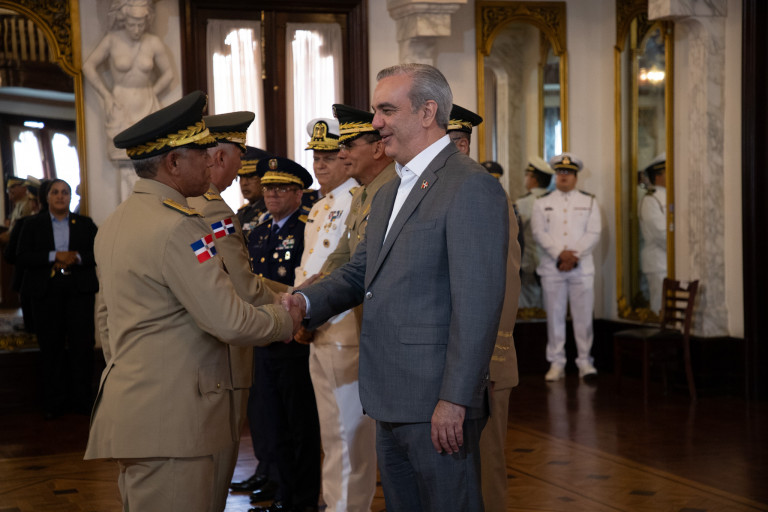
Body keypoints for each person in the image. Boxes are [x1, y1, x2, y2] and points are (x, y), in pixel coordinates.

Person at [285, 63, 510, 511]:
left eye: (387, 110)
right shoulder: (389, 190)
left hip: (436, 403)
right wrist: (302, 302)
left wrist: (454, 399)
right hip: (388, 396)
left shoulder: (470, 186)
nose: (375, 123)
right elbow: (360, 272)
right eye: (376, 111)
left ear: (428, 112)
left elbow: (477, 307)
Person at [83, 91, 299, 512]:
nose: (209, 161)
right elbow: (229, 319)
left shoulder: (114, 222)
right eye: (200, 152)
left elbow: (105, 318)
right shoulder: (180, 227)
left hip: (135, 412)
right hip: (175, 422)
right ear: (173, 162)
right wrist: (286, 320)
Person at [187, 111, 285, 512]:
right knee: (215, 466)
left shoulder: (182, 203)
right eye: (240, 158)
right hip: (222, 356)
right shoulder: (215, 211)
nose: (242, 171)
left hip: (191, 359)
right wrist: (293, 302)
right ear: (221, 157)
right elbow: (244, 287)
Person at [296, 113, 377, 512]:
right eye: (317, 157)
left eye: (331, 156)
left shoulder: (358, 201)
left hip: (346, 332)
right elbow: (309, 269)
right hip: (318, 331)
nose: (323, 164)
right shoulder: (320, 206)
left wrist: (309, 313)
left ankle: (347, 506)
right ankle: (335, 504)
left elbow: (350, 273)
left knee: (349, 437)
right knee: (332, 435)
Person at [246, 157, 321, 512]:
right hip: (264, 337)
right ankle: (283, 495)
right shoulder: (259, 231)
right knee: (273, 423)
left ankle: (302, 500)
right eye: (268, 188)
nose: (272, 194)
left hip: (295, 339)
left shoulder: (307, 229)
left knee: (300, 426)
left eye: (281, 188)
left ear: (298, 193)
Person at [16, 179, 98, 419]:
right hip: (46, 292)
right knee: (51, 347)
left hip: (79, 292)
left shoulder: (85, 224)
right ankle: (55, 401)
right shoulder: (32, 225)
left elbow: (98, 252)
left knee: (82, 346)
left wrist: (76, 257)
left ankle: (82, 400)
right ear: (47, 197)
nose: (60, 196)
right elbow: (22, 257)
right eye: (55, 192)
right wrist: (55, 256)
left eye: (65, 192)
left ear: (70, 197)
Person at [531, 153, 601, 382]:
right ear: (555, 175)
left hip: (581, 268)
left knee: (583, 317)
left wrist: (573, 256)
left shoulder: (589, 201)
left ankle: (585, 362)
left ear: (576, 177)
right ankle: (556, 362)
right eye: (560, 172)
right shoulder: (542, 202)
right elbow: (538, 232)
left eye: (568, 173)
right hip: (553, 268)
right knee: (555, 317)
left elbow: (594, 232)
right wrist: (560, 254)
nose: (564, 176)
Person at [83, 0, 173, 160]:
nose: (136, 30)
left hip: (148, 104)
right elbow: (88, 66)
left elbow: (168, 73)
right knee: (122, 155)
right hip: (120, 105)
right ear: (123, 20)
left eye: (141, 25)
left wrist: (152, 92)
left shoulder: (153, 42)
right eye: (132, 25)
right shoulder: (112, 40)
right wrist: (106, 95)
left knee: (151, 156)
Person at [515, 157, 555, 310]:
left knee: (528, 309)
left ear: (534, 179)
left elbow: (516, 234)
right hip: (553, 262)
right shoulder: (555, 201)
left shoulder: (524, 202)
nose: (526, 179)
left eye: (527, 175)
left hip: (530, 263)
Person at [639, 154, 667, 313]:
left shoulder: (671, 195)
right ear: (658, 175)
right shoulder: (651, 200)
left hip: (669, 261)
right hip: (658, 263)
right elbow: (660, 233)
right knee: (660, 308)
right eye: (667, 172)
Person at [237, 146, 272, 239]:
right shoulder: (242, 212)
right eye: (241, 177)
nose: (244, 183)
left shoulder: (272, 210)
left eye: (250, 176)